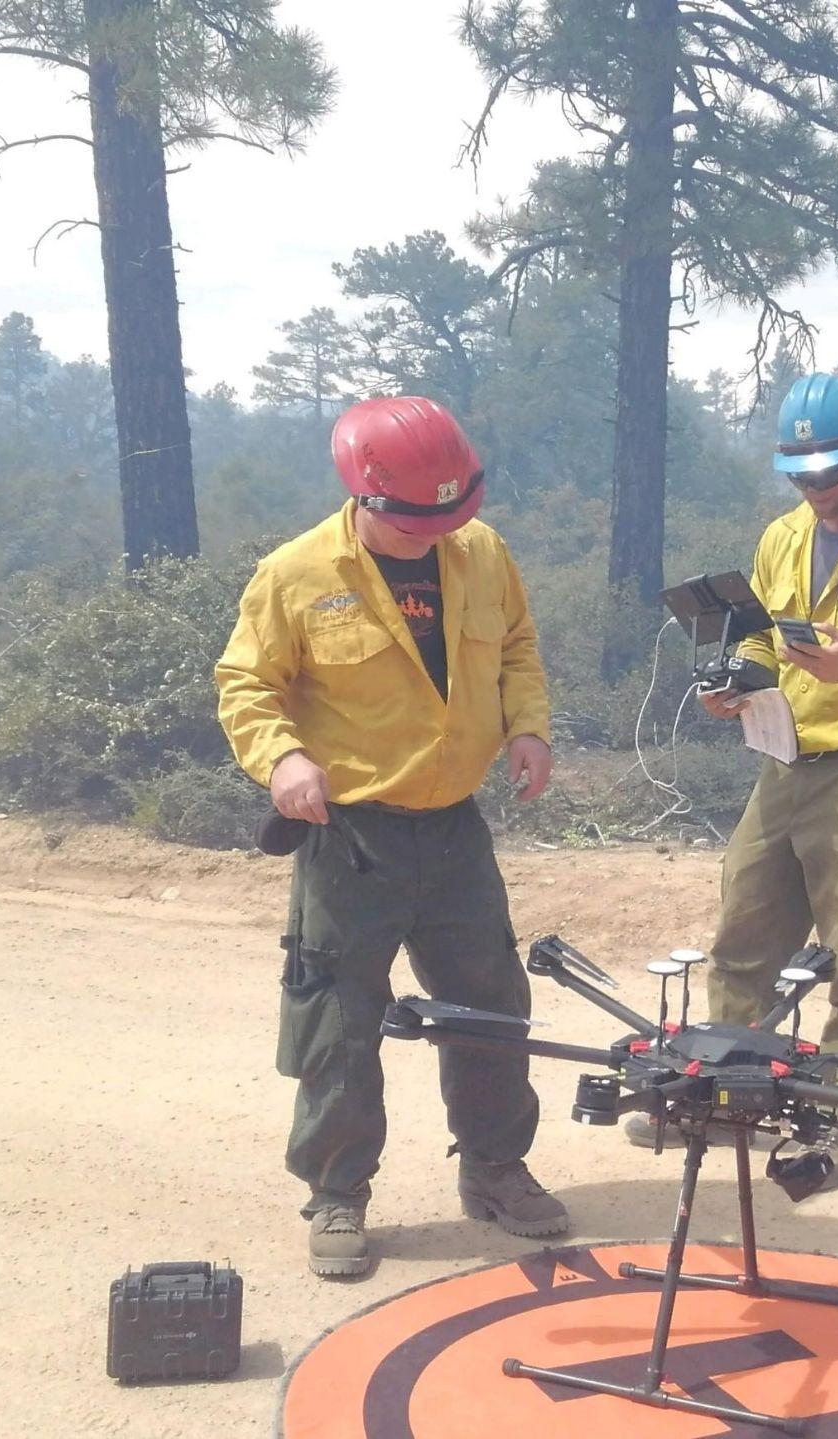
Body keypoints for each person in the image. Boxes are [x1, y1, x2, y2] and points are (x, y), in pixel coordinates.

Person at [215, 395, 568, 1278]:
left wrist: (528, 725)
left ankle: (494, 1169)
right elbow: (246, 686)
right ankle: (337, 1194)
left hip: (454, 829)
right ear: (366, 496)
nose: (436, 532)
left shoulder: (480, 553)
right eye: (418, 517)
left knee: (490, 1008)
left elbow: (518, 645)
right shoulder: (296, 574)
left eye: (450, 514)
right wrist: (283, 758)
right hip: (351, 838)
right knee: (339, 1020)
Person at [626, 372, 838, 1184]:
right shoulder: (780, 538)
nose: (816, 489)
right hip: (781, 765)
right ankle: (727, 1096)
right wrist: (733, 683)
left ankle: (837, 1116)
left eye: (829, 472)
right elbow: (755, 637)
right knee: (744, 936)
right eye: (800, 475)